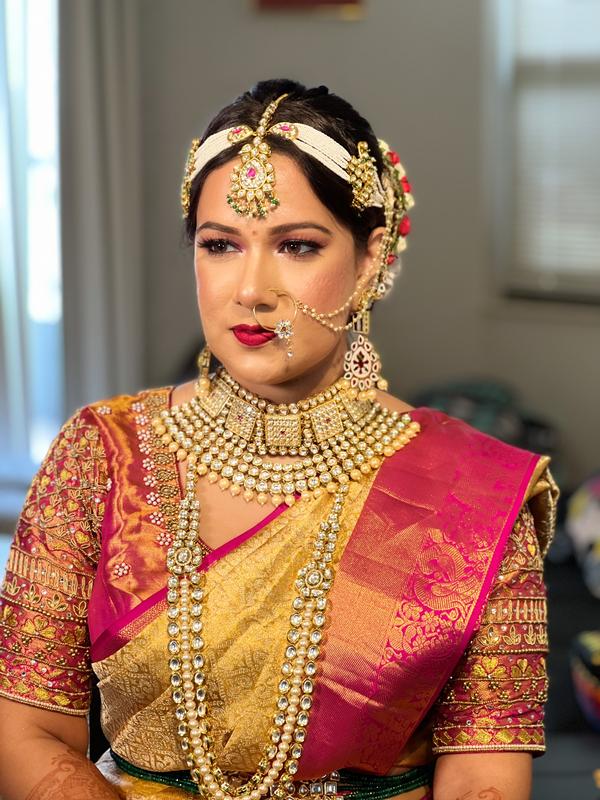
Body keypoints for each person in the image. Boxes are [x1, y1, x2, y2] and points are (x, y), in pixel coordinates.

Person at [0, 79, 558, 800]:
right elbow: (28, 734)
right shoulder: (102, 454)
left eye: (296, 246)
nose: (251, 289)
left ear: (371, 258)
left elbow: (484, 774)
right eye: (220, 245)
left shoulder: (474, 493)